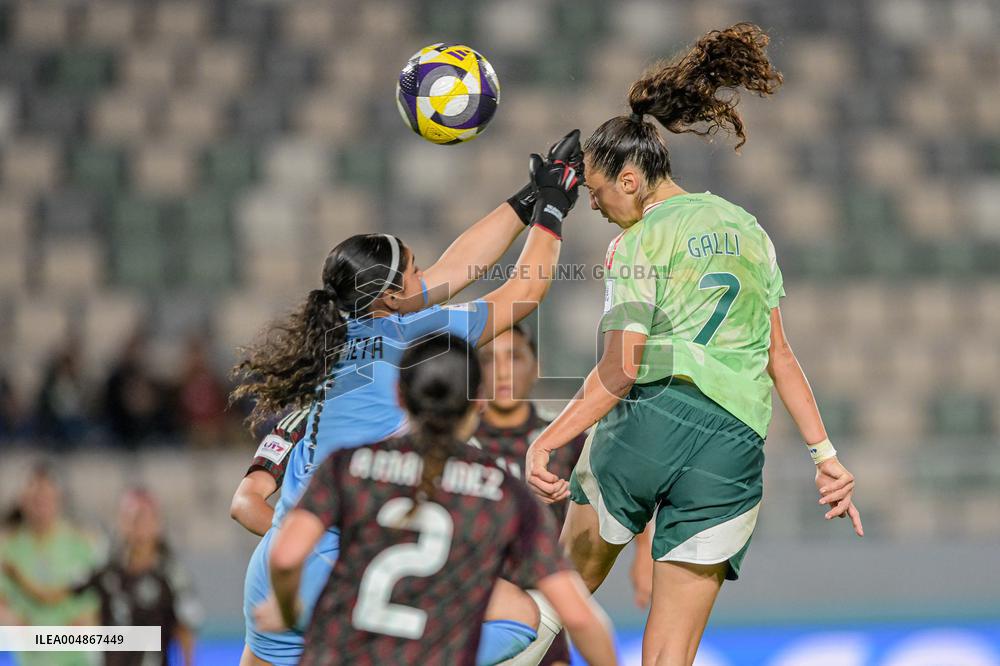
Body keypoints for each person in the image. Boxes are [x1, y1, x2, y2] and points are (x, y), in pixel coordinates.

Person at [519, 24, 864, 665]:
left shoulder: (638, 241)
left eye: (594, 194)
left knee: (549, 601)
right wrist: (825, 455)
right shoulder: (749, 229)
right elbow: (778, 356)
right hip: (734, 446)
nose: (593, 207)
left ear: (629, 180)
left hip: (652, 417)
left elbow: (620, 369)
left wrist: (549, 439)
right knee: (671, 654)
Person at [229, 131, 584, 666]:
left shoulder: (331, 334)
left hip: (276, 574)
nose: (429, 275)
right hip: (355, 574)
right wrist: (553, 210)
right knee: (520, 618)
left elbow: (454, 268)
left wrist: (525, 198)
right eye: (416, 270)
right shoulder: (408, 338)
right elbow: (521, 293)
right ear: (391, 297)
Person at [259, 334, 617, 666]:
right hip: (432, 652)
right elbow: (580, 617)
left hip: (339, 654)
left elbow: (286, 555)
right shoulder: (504, 493)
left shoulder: (347, 465)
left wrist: (289, 610)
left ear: (400, 395)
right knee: (528, 614)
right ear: (478, 401)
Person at [474, 324, 588, 666]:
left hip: (547, 605)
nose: (503, 370)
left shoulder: (564, 441)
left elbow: (613, 488)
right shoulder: (457, 443)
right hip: (481, 608)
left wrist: (643, 554)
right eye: (489, 359)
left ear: (536, 367)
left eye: (515, 356)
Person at [3, 488, 201, 666]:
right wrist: (17, 577)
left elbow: (185, 631)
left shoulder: (171, 576)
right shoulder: (104, 568)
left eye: (143, 518)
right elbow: (53, 596)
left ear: (157, 524)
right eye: (130, 518)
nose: (137, 526)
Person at [0, 464, 101, 666]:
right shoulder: (8, 548)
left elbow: (92, 606)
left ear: (59, 498)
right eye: (34, 498)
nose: (40, 503)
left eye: (46, 496)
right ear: (22, 500)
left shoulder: (82, 546)